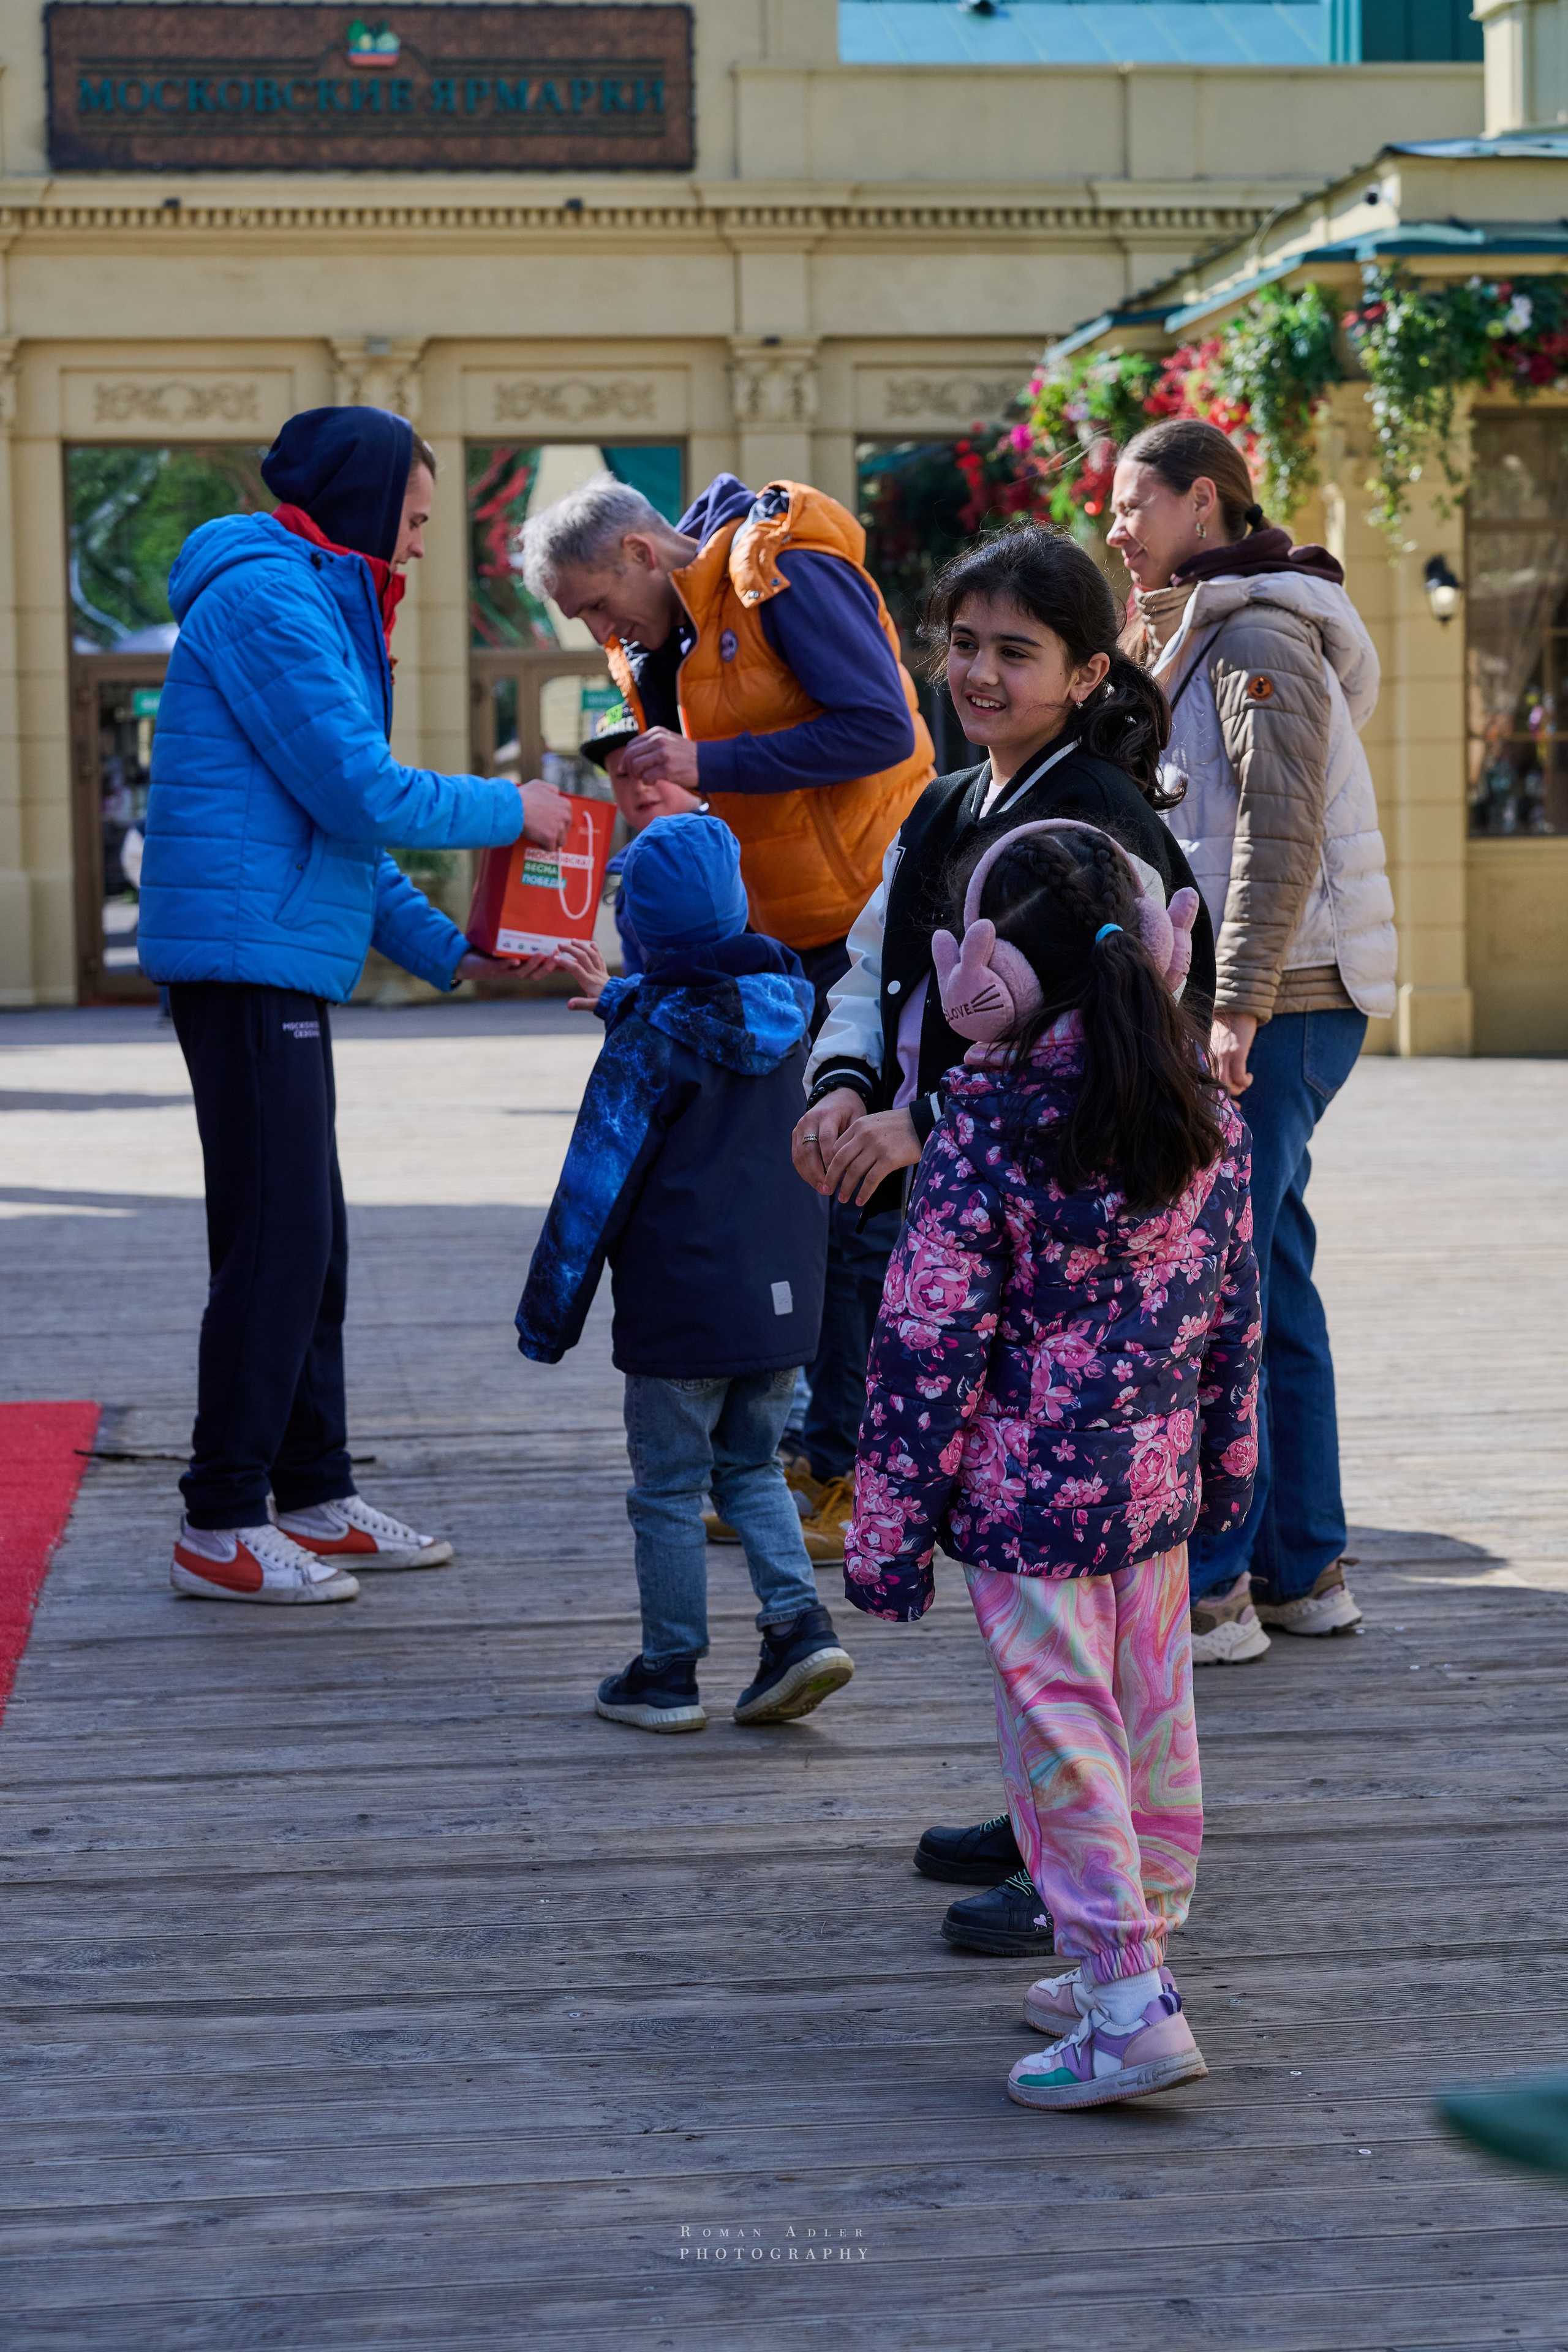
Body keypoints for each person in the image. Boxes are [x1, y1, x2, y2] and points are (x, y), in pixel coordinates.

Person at [795, 522, 1216, 1960]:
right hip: (1008, 1225)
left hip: (1071, 1262)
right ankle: (1062, 1829)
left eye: (1010, 650)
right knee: (1091, 1606)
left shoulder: (1094, 819)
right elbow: (878, 964)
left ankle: (1088, 1898)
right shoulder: (954, 799)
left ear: (1084, 667)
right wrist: (853, 1085)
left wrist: (925, 1126)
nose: (973, 670)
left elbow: (1111, 1052)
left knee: (1069, 1599)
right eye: (959, 641)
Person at [842, 818, 1261, 2112]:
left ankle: (1127, 2002)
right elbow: (1236, 1317)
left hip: (1025, 1505)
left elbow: (924, 1347)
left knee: (1058, 1736)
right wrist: (1229, 1473)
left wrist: (885, 1534)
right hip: (1151, 1487)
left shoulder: (984, 1124)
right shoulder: (1198, 1112)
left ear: (986, 979)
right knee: (1148, 1715)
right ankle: (1134, 1946)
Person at [138, 405, 571, 1607]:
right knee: (275, 1248)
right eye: (419, 519)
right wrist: (512, 810)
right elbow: (361, 790)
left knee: (304, 1245)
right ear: (368, 499)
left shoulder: (313, 596)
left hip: (271, 955)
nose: (424, 545)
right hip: (244, 966)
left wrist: (454, 953)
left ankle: (310, 1494)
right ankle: (218, 1521)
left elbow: (334, 828)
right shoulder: (269, 598)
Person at [519, 472, 937, 1551]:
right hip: (783, 932)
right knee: (813, 1194)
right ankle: (823, 1450)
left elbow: (882, 730)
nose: (598, 631)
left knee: (853, 1207)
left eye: (595, 607)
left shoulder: (780, 570)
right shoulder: (661, 636)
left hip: (872, 918)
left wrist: (710, 760)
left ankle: (846, 1466)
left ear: (641, 557)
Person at [1108, 419, 1396, 1665]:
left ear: (1204, 503)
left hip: (1278, 1000)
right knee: (1264, 1263)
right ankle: (1301, 1567)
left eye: (1134, 504)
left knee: (1220, 1280)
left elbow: (1274, 838)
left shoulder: (1259, 638)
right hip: (1270, 996)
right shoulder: (1202, 631)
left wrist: (1232, 1006)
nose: (1116, 527)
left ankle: (1216, 1586)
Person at [516, 815, 854, 1732]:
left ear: (643, 937)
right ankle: (799, 1626)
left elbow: (594, 1187)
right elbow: (704, 1007)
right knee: (749, 1467)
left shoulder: (645, 1045)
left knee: (667, 1486)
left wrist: (546, 1322)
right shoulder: (793, 1014)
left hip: (680, 1311)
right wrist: (629, 995)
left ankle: (669, 1671)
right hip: (785, 1301)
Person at [579, 696, 704, 978]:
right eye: (622, 775)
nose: (639, 786)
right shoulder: (627, 869)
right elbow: (638, 975)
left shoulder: (732, 847)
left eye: (651, 767)